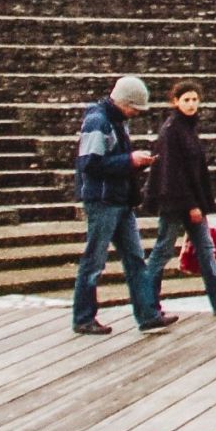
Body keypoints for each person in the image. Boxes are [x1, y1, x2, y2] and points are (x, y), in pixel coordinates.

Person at [72, 75, 167, 335]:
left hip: (120, 199)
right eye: (134, 108)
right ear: (124, 102)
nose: (136, 113)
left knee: (135, 259)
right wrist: (130, 161)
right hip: (102, 201)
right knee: (95, 260)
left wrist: (132, 161)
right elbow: (89, 163)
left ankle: (148, 314)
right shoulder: (98, 121)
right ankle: (83, 317)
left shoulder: (117, 121)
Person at [140, 79, 216, 318]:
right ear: (175, 102)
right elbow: (173, 174)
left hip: (189, 202)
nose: (191, 104)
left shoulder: (186, 128)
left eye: (195, 99)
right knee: (163, 250)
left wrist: (204, 205)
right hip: (176, 203)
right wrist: (193, 206)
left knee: (205, 249)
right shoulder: (171, 131)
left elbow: (196, 172)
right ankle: (146, 303)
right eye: (186, 100)